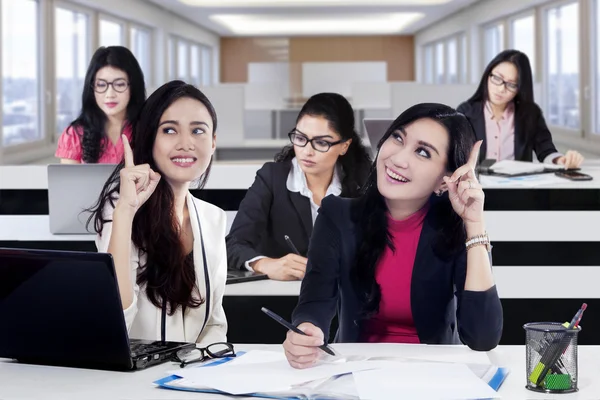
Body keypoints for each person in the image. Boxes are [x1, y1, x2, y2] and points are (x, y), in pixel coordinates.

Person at [283, 103, 503, 369]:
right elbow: (315, 301)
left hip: (434, 375)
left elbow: (482, 337)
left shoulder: (453, 228)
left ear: (445, 179)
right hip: (355, 372)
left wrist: (474, 223)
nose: (398, 158)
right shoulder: (337, 216)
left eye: (423, 152)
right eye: (397, 137)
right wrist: (306, 331)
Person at [89, 80, 227, 344]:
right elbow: (116, 317)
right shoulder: (122, 209)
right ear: (150, 138)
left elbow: (215, 323)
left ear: (213, 143)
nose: (186, 143)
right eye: (169, 130)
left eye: (198, 131)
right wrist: (125, 212)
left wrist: (209, 367)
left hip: (196, 373)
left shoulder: (214, 218)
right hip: (134, 378)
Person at [226, 93, 372, 281]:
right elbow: (234, 245)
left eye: (321, 143)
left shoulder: (362, 183)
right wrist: (266, 264)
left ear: (344, 146)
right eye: (301, 138)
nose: (307, 151)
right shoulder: (272, 178)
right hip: (281, 298)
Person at [457, 49, 583, 168]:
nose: (501, 89)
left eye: (511, 84)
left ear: (520, 88)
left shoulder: (530, 114)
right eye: (497, 78)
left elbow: (545, 150)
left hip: (518, 187)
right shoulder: (465, 112)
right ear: (487, 76)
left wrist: (560, 160)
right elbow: (455, 155)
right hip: (477, 188)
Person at [56, 46, 145, 164]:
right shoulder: (74, 134)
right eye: (101, 85)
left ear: (133, 87)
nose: (110, 94)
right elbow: (68, 182)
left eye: (119, 84)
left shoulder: (149, 129)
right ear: (92, 88)